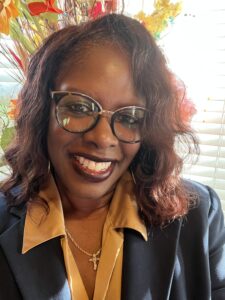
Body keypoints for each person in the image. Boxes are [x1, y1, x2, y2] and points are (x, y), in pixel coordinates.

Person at [0, 13, 224, 300]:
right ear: (42, 110)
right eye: (79, 108)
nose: (103, 138)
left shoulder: (200, 216)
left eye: (129, 117)